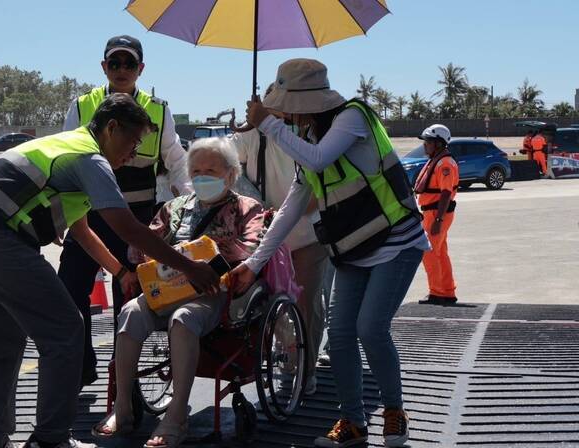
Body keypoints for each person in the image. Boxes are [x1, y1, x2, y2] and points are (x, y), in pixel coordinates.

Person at [0, 94, 219, 448]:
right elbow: (127, 227)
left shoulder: (63, 146)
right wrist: (190, 268)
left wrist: (120, 273)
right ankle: (52, 439)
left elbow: (83, 231)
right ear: (111, 128)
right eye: (132, 143)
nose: (133, 155)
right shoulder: (90, 158)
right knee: (66, 330)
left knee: (3, 343)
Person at [233, 58, 429, 448]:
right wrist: (254, 263)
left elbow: (320, 159)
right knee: (339, 337)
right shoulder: (309, 143)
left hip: (396, 243)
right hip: (354, 248)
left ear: (309, 101)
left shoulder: (352, 118)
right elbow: (290, 209)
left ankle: (394, 411)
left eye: (289, 106)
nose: (286, 114)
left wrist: (266, 122)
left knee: (370, 328)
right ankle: (352, 421)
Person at [92, 138, 265, 448]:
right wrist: (160, 258)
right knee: (130, 311)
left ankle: (176, 417)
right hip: (165, 289)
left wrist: (206, 251)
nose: (202, 177)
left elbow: (252, 248)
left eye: (211, 170)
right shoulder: (174, 207)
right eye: (196, 170)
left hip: (213, 293)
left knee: (184, 317)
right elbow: (138, 248)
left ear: (231, 173)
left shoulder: (246, 208)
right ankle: (123, 408)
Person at [59, 35, 192, 387]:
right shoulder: (81, 105)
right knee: (70, 293)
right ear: (103, 67)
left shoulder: (159, 110)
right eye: (114, 63)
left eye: (128, 64)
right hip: (87, 220)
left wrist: (191, 202)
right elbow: (66, 161)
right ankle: (79, 369)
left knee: (130, 302)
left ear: (140, 69)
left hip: (135, 224)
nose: (121, 70)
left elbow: (177, 164)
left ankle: (124, 382)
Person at [230, 85, 328, 394]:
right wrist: (256, 206)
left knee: (307, 302)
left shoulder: (312, 133)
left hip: (309, 234)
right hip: (266, 235)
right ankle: (289, 359)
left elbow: (317, 185)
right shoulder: (249, 133)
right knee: (272, 302)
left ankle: (306, 367)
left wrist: (298, 209)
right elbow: (231, 168)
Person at [415, 125, 460, 306]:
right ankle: (447, 292)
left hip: (437, 213)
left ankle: (437, 293)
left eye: (428, 142)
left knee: (430, 253)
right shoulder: (437, 160)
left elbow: (446, 193)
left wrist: (438, 220)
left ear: (439, 144)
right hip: (431, 213)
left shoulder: (445, 163)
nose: (425, 145)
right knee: (440, 253)